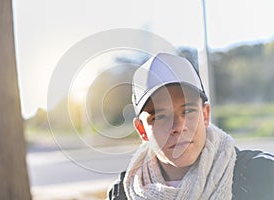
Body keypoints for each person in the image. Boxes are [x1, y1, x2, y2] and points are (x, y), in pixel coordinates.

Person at [107, 53, 274, 200]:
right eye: (160, 117)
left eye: (187, 111)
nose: (178, 127)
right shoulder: (121, 193)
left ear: (205, 115)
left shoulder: (260, 173)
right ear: (142, 130)